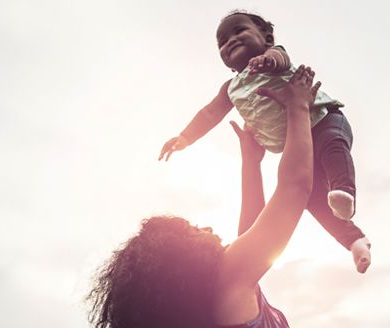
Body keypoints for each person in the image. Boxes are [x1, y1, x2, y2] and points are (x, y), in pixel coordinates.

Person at [87, 65, 316, 328]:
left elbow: (251, 232)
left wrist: (251, 163)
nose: (206, 228)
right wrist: (298, 108)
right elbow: (295, 187)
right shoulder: (227, 282)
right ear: (180, 264)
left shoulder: (209, 307)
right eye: (193, 231)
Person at [158, 11, 371, 273]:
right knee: (312, 199)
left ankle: (345, 190)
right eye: (223, 41)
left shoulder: (273, 56)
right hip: (298, 145)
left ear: (267, 38)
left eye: (239, 31)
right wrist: (185, 137)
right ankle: (354, 240)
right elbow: (210, 113)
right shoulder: (231, 88)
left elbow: (279, 59)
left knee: (333, 146)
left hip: (323, 119)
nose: (230, 41)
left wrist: (267, 62)